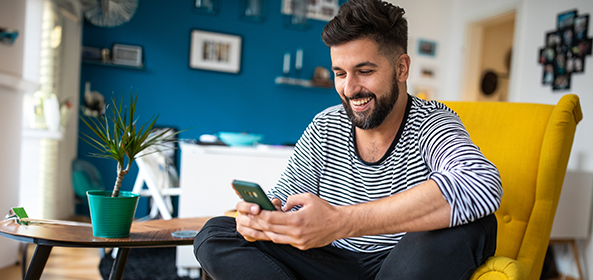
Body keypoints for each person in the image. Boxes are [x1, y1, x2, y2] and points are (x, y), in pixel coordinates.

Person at [193, 0, 502, 279]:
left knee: (475, 224)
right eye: (340, 73)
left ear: (402, 68)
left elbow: (481, 183)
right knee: (217, 234)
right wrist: (263, 222)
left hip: (399, 263)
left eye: (364, 71)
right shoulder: (326, 124)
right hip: (328, 261)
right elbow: (285, 198)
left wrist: (342, 221)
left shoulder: (432, 121)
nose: (350, 88)